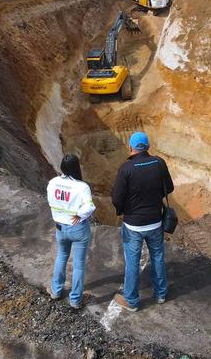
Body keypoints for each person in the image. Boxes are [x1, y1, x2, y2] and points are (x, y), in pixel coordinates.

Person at [111, 131, 174, 311]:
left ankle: (131, 301)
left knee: (132, 262)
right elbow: (169, 187)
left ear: (131, 147)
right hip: (155, 222)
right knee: (158, 257)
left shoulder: (126, 168)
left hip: (133, 225)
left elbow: (116, 198)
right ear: (148, 147)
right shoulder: (159, 163)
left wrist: (122, 211)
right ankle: (160, 294)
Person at [46, 154, 96, 309]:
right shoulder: (82, 186)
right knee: (78, 265)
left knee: (61, 257)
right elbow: (90, 207)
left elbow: (51, 201)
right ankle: (75, 300)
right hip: (78, 228)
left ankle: (56, 291)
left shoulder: (53, 182)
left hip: (60, 227)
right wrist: (79, 215)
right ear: (76, 167)